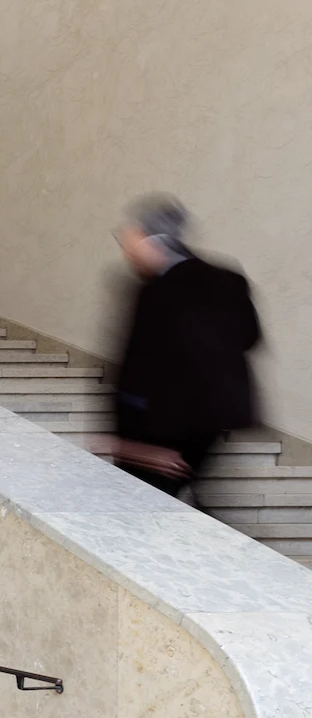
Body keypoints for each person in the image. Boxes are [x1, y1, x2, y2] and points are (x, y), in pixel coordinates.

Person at [107, 195, 262, 501]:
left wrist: (134, 444)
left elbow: (140, 365)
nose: (127, 253)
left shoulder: (154, 291)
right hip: (212, 423)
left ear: (149, 240)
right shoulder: (229, 278)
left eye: (129, 242)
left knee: (142, 508)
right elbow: (250, 337)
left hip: (161, 432)